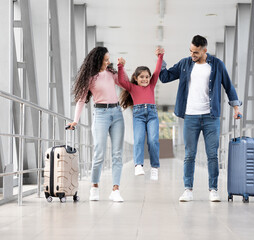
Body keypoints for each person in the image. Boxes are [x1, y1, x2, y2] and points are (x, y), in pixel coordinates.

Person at [159, 35, 242, 202]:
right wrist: (161, 59)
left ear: (205, 50)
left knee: (212, 154)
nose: (192, 55)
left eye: (196, 52)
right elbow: (165, 77)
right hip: (190, 116)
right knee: (189, 155)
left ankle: (213, 190)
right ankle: (188, 190)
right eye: (190, 51)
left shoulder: (217, 65)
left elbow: (228, 85)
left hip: (211, 116)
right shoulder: (185, 64)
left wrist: (236, 107)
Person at [68, 46, 125, 202]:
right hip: (100, 115)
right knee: (99, 152)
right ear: (98, 59)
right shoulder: (90, 78)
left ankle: (116, 189)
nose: (108, 62)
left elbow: (123, 83)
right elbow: (81, 100)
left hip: (117, 114)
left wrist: (121, 68)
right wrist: (75, 120)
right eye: (105, 59)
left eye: (108, 59)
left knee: (117, 154)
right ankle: (94, 187)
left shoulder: (111, 74)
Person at [117, 47, 164, 181]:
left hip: (152, 114)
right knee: (138, 140)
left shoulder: (151, 85)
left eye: (147, 77)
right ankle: (138, 165)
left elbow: (157, 70)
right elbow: (121, 81)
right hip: (138, 115)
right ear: (136, 78)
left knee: (153, 140)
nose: (145, 79)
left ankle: (154, 168)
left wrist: (160, 56)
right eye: (142, 77)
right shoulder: (132, 87)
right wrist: (120, 66)